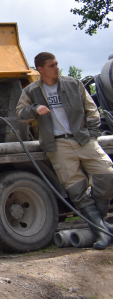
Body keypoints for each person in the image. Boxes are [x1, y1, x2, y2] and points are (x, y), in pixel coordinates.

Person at [16, 52, 113, 250]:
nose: (56, 67)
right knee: (77, 191)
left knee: (107, 174)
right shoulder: (31, 90)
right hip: (57, 146)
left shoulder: (73, 83)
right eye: (52, 65)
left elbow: (91, 109)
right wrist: (35, 109)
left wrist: (92, 133)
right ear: (40, 69)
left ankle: (99, 224)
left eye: (57, 64)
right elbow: (20, 114)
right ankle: (102, 232)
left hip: (83, 140)